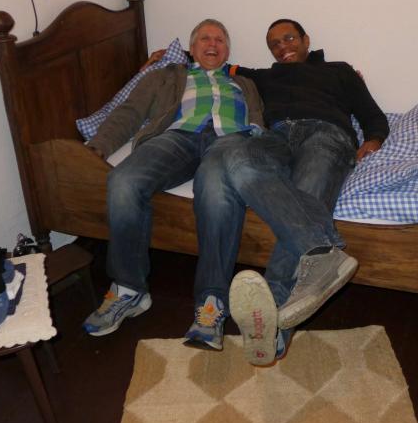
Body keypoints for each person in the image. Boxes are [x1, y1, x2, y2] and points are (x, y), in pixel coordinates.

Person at [192, 19, 389, 364]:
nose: (283, 47)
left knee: (306, 194)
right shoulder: (264, 76)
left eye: (289, 38)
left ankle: (272, 326)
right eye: (274, 44)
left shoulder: (339, 71)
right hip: (277, 137)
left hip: (325, 134)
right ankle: (321, 253)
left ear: (305, 40)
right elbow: (215, 61)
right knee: (237, 158)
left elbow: (372, 114)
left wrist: (372, 141)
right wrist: (163, 59)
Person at [81, 19, 264, 338]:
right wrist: (99, 146)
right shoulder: (165, 75)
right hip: (178, 137)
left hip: (228, 141)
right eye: (205, 38)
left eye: (220, 40)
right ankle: (129, 289)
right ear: (191, 49)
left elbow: (259, 122)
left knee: (215, 190)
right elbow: (129, 113)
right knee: (123, 180)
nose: (212, 44)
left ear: (227, 50)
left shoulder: (245, 83)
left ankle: (211, 302)